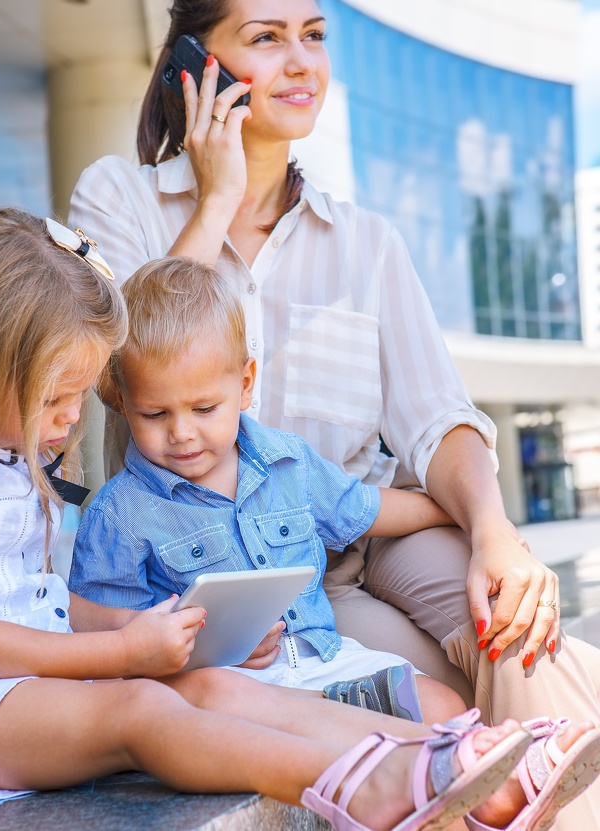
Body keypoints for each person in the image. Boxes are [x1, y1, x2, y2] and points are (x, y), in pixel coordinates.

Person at [67, 4, 600, 825]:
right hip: (258, 590)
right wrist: (216, 203)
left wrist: (495, 531)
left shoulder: (367, 242)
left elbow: (439, 419)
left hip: (366, 529)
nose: (301, 62)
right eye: (266, 37)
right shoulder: (118, 197)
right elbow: (114, 373)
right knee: (449, 698)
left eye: (313, 36)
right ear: (194, 64)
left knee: (515, 615)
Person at [0, 206, 563, 831]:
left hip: (19, 689)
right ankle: (366, 784)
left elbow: (46, 605)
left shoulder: (6, 459)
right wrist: (125, 652)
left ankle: (451, 759)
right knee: (143, 710)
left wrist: (150, 627)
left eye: (79, 395)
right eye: (55, 399)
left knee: (215, 685)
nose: (72, 417)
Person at [71, 255, 466, 725]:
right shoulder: (118, 515)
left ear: (245, 384)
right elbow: (112, 649)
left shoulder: (287, 462)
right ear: (123, 402)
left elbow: (365, 508)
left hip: (324, 660)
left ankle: (345, 721)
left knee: (445, 707)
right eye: (155, 414)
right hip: (225, 690)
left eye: (204, 409)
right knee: (296, 723)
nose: (181, 433)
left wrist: (463, 513)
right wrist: (204, 651)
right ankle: (335, 725)